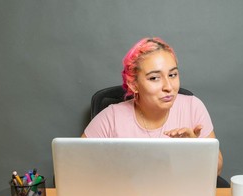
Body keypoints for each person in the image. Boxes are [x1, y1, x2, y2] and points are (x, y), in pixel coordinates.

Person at [82, 37, 223, 175]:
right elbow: (76, 166)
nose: (168, 87)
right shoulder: (111, 117)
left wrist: (196, 149)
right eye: (154, 78)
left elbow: (217, 169)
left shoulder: (193, 107)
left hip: (178, 195)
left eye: (173, 75)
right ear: (134, 85)